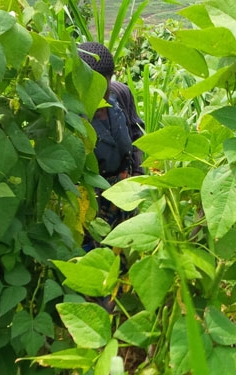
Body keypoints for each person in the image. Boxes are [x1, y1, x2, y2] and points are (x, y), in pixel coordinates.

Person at [77, 41, 144, 238]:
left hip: (126, 191)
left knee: (129, 245)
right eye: (95, 90)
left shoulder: (121, 94)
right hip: (92, 199)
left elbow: (136, 131)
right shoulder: (72, 112)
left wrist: (138, 174)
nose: (102, 97)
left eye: (105, 89)